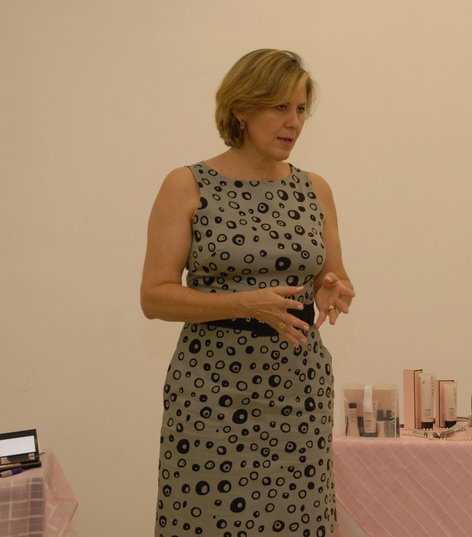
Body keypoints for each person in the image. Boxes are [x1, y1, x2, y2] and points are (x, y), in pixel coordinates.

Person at [141, 49, 355, 537]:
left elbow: (332, 275)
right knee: (207, 520)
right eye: (280, 107)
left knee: (298, 521)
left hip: (299, 387)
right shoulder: (187, 184)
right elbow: (154, 297)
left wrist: (333, 289)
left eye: (300, 109)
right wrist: (243, 303)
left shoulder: (314, 189)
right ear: (240, 108)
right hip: (212, 390)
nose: (293, 122)